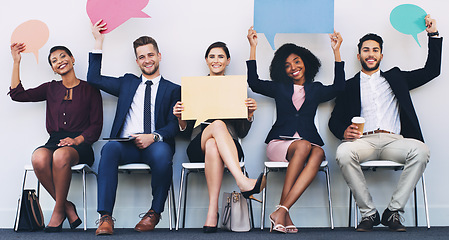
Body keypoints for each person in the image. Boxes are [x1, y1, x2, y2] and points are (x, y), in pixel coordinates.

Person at [328, 15, 442, 232]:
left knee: (421, 150)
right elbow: (334, 120)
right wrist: (344, 130)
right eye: (366, 50)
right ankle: (368, 213)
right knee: (343, 153)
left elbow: (432, 71)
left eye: (375, 50)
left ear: (381, 54)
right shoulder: (349, 86)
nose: (370, 54)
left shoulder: (396, 77)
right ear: (359, 54)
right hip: (365, 142)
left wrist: (433, 34)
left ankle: (393, 211)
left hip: (394, 141)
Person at [246, 27, 345, 233]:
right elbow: (254, 83)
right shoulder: (279, 88)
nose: (293, 68)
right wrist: (253, 47)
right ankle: (283, 211)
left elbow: (339, 88)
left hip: (307, 145)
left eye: (297, 62)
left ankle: (281, 211)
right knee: (304, 146)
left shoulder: (316, 89)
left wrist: (336, 52)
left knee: (318, 151)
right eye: (287, 65)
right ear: (283, 70)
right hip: (280, 144)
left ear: (306, 63)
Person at [88, 20, 180, 235]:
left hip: (155, 144)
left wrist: (154, 137)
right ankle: (105, 217)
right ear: (137, 61)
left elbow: (174, 126)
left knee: (162, 154)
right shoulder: (127, 83)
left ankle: (154, 213)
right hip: (126, 145)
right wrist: (98, 41)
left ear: (158, 56)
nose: (147, 60)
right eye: (141, 57)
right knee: (109, 149)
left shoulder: (173, 89)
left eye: (150, 55)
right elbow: (93, 79)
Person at [9, 43, 103, 232]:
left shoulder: (90, 89)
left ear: (72, 59)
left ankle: (58, 211)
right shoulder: (50, 88)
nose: (59, 61)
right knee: (39, 158)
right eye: (54, 60)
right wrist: (16, 62)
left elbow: (96, 126)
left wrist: (76, 140)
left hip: (81, 144)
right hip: (55, 141)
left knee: (60, 155)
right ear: (52, 68)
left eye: (62, 56)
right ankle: (67, 206)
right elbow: (17, 95)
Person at [173, 41, 265, 233]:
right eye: (212, 56)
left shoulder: (237, 87)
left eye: (221, 56)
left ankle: (212, 212)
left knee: (215, 144)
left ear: (228, 60)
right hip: (198, 145)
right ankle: (242, 181)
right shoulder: (194, 87)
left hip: (229, 146)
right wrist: (180, 118)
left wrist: (249, 114)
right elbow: (186, 130)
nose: (216, 60)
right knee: (216, 125)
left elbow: (241, 133)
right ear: (206, 60)